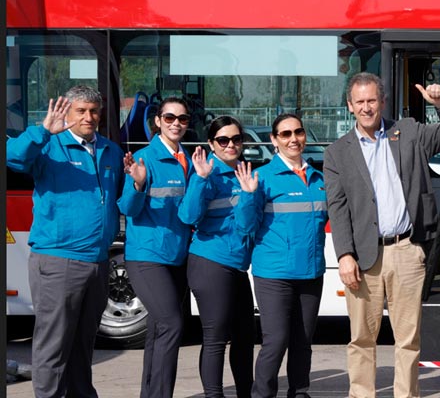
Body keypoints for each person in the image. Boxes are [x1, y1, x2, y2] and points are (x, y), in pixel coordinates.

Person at [323, 72, 440, 398]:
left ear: (382, 102)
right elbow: (338, 208)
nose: (367, 107)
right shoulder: (337, 153)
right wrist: (344, 255)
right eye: (360, 102)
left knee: (408, 339)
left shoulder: (409, 132)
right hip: (362, 256)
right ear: (349, 106)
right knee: (361, 338)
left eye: (372, 100)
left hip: (406, 250)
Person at [7, 86, 125, 398]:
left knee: (83, 343)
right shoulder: (49, 146)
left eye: (94, 111)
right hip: (59, 261)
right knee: (54, 344)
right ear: (67, 113)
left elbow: (119, 199)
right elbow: (13, 157)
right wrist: (43, 131)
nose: (89, 117)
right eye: (81, 111)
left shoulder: (110, 151)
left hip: (98, 262)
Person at [237, 114, 328, 398]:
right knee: (276, 341)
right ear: (274, 140)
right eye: (285, 134)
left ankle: (299, 392)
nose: (293, 139)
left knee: (303, 341)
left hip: (311, 272)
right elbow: (244, 226)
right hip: (274, 274)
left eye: (298, 132)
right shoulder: (261, 178)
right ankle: (262, 394)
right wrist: (249, 196)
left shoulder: (318, 178)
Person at [118, 96, 194, 398]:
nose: (176, 123)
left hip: (178, 256)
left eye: (183, 119)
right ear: (158, 121)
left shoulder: (188, 159)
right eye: (170, 118)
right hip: (148, 256)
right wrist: (137, 185)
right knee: (172, 324)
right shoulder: (144, 159)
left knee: (158, 332)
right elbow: (128, 208)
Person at [178, 116, 255, 398]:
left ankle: (246, 393)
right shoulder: (207, 173)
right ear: (211, 143)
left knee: (245, 337)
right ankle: (214, 395)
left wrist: (248, 194)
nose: (231, 145)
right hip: (210, 263)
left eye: (236, 139)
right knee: (216, 338)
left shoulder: (244, 173)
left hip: (236, 264)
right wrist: (199, 179)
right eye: (223, 140)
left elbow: (247, 226)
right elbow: (188, 216)